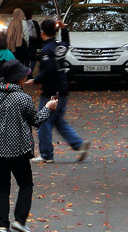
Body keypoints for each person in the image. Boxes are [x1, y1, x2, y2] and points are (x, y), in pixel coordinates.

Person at [0, 59, 59, 232]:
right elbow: (36, 120)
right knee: (26, 184)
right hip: (17, 147)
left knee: (1, 188)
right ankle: (20, 220)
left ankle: (2, 225)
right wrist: (49, 107)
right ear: (18, 78)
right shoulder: (23, 98)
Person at [35, 18, 91, 163]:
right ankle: (78, 143)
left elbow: (49, 69)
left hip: (51, 91)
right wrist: (64, 29)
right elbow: (67, 42)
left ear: (42, 33)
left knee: (44, 121)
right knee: (58, 121)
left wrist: (35, 79)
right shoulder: (60, 46)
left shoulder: (46, 50)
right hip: (63, 88)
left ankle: (46, 154)